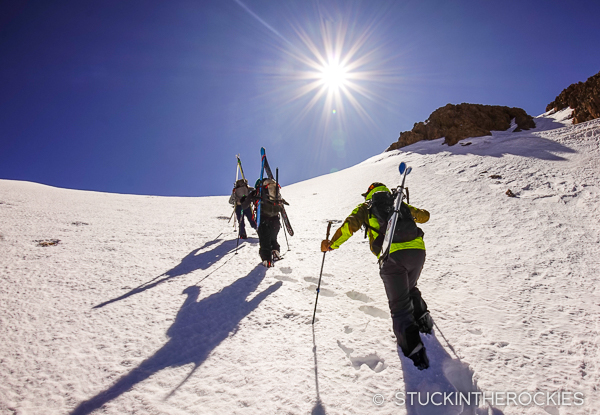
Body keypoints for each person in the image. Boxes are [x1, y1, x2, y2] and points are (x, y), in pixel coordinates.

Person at [321, 182, 433, 370]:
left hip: (392, 257)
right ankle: (423, 320)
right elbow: (425, 217)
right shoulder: (399, 203)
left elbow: (349, 227)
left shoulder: (366, 206)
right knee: (410, 287)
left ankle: (414, 352)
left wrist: (331, 245)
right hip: (418, 251)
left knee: (399, 306)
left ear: (369, 193)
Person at [242, 178, 288, 267]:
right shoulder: (274, 192)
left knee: (264, 240)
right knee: (273, 238)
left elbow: (244, 206)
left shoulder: (256, 193)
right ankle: (275, 251)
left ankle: (267, 259)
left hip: (263, 219)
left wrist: (244, 199)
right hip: (275, 219)